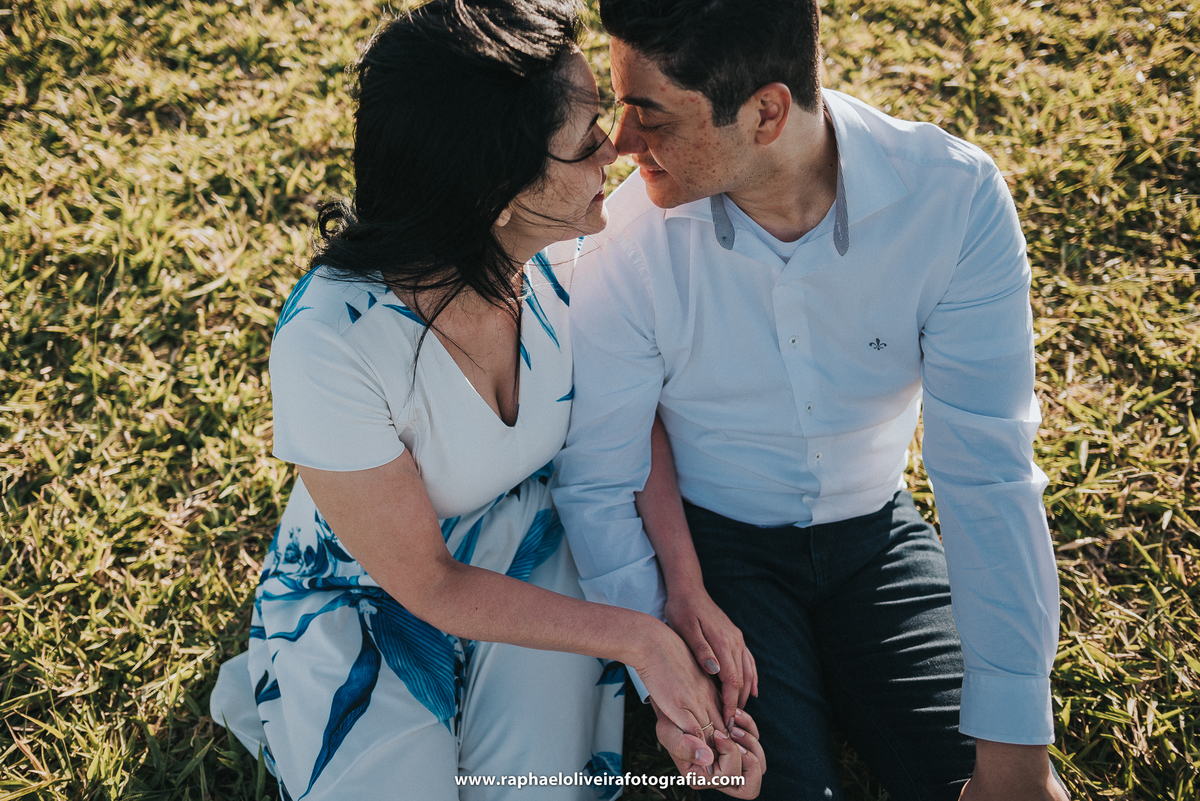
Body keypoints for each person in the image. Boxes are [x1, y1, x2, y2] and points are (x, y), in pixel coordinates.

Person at [208, 1, 764, 798]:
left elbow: (632, 425)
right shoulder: (332, 340)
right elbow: (427, 582)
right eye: (584, 142)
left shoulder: (586, 248)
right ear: (494, 193)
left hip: (530, 550)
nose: (617, 148)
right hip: (369, 589)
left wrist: (681, 589)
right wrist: (639, 640)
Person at [552, 1, 1068, 800]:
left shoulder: (953, 205)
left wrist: (1017, 761)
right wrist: (667, 666)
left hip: (880, 540)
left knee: (967, 772)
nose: (620, 142)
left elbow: (990, 478)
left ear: (765, 112)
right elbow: (596, 482)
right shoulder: (625, 246)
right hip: (720, 553)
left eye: (648, 113)